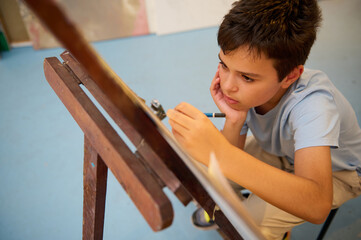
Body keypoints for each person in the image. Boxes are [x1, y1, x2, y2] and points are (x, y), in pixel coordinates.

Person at [166, 0, 361, 239]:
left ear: (290, 76)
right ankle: (233, 203)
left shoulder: (315, 106)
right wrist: (234, 120)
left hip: (338, 173)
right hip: (282, 150)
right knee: (200, 167)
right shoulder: (257, 86)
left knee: (247, 226)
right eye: (224, 65)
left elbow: (317, 204)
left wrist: (220, 153)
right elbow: (227, 161)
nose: (227, 86)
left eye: (246, 77)